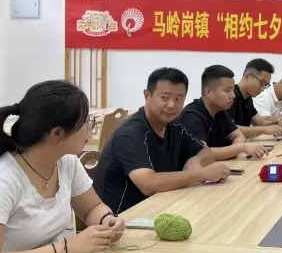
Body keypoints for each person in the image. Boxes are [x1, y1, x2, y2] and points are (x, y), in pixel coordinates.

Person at [0, 81, 127, 253]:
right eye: (86, 123)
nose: (90, 131)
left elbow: (92, 208)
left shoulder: (66, 161)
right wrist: (65, 250)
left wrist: (107, 220)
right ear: (57, 134)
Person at [94, 68, 230, 214]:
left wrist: (194, 162)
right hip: (123, 217)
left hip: (160, 205)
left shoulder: (174, 126)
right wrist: (201, 174)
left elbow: (206, 152)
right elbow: (148, 184)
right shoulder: (129, 133)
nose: (172, 105)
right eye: (164, 98)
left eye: (179, 99)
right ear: (147, 95)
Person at [179, 65, 268, 159]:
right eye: (227, 90)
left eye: (233, 90)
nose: (233, 95)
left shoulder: (219, 111)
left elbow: (239, 136)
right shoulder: (192, 116)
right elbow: (202, 153)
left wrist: (234, 150)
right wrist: (241, 148)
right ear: (208, 92)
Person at [227, 58, 282, 138]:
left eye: (266, 85)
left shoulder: (248, 98)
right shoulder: (230, 97)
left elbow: (260, 122)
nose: (263, 89)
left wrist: (277, 122)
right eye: (262, 82)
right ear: (247, 76)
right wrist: (263, 130)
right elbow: (230, 129)